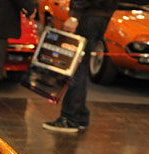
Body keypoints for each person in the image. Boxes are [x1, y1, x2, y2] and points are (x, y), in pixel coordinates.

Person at [42, 0, 116, 133]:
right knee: (81, 65)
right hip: (102, 15)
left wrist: (74, 16)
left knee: (76, 67)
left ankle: (70, 118)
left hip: (88, 15)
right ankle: (79, 115)